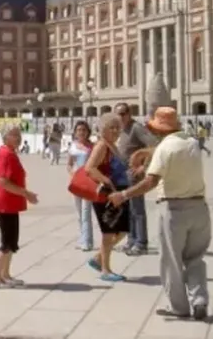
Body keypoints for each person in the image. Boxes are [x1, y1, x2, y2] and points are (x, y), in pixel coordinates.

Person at [109, 107, 210, 322]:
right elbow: (169, 151)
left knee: (172, 261)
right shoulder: (192, 143)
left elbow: (150, 182)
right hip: (199, 207)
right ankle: (199, 299)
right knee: (195, 258)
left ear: (158, 129)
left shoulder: (164, 149)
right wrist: (146, 153)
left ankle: (179, 307)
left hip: (173, 210)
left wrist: (124, 194)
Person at [0, 123, 38, 288]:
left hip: (9, 204)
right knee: (7, 242)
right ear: (5, 137)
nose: (19, 137)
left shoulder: (9, 153)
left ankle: (6, 275)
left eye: (19, 134)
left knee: (12, 242)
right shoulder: (6, 154)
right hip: (4, 204)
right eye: (14, 134)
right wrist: (26, 193)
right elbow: (3, 181)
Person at [83, 114, 130, 282]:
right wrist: (107, 181)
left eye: (118, 127)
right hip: (106, 194)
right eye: (112, 127)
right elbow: (89, 168)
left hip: (119, 193)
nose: (116, 130)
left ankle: (98, 258)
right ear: (103, 129)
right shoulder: (102, 146)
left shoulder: (112, 146)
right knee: (108, 232)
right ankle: (105, 269)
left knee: (123, 230)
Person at [115, 102, 157, 256]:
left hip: (134, 174)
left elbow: (153, 145)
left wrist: (143, 167)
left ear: (129, 113)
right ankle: (131, 240)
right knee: (128, 210)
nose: (120, 117)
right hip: (123, 174)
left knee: (137, 209)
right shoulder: (121, 129)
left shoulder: (136, 128)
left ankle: (141, 242)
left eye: (123, 113)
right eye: (117, 114)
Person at [67, 120, 95, 251]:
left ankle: (88, 242)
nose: (81, 132)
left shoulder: (92, 147)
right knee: (79, 212)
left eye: (84, 130)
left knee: (86, 212)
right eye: (79, 130)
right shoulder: (73, 146)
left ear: (88, 132)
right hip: (76, 182)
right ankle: (82, 238)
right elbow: (69, 163)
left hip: (88, 182)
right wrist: (71, 173)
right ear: (75, 132)